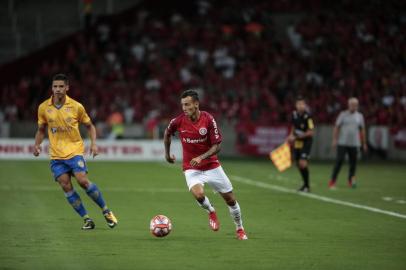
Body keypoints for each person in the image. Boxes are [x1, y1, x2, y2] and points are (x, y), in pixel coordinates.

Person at [33, 73, 118, 230]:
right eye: (55, 86)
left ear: (67, 88)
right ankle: (86, 219)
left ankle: (106, 211)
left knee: (82, 181)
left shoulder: (76, 106)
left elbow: (90, 126)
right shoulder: (43, 108)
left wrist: (93, 144)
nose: (58, 89)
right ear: (52, 88)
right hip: (56, 155)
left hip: (74, 150)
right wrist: (37, 144)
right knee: (65, 185)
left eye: (61, 86)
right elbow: (41, 130)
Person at [164, 89, 248, 240]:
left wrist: (201, 157)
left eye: (187, 104)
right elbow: (167, 133)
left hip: (212, 165)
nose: (184, 108)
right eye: (182, 105)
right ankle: (211, 211)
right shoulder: (178, 121)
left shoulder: (208, 119)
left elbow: (217, 146)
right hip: (191, 167)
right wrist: (167, 154)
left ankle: (240, 229)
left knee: (230, 199)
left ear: (196, 104)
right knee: (199, 194)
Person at [328, 97, 368, 189]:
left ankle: (351, 181)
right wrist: (334, 139)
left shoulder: (360, 116)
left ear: (357, 106)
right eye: (352, 104)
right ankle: (332, 181)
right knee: (339, 161)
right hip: (342, 142)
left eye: (355, 105)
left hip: (355, 143)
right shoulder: (343, 115)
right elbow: (336, 127)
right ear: (348, 105)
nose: (354, 106)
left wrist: (364, 143)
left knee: (353, 164)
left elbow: (362, 130)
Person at [287, 97, 314, 192]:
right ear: (296, 105)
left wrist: (296, 137)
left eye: (302, 104)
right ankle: (305, 185)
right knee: (298, 164)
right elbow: (294, 127)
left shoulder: (308, 116)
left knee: (303, 163)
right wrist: (290, 136)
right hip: (298, 142)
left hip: (306, 142)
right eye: (298, 104)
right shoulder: (294, 115)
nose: (300, 106)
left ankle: (307, 186)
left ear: (305, 105)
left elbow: (310, 132)